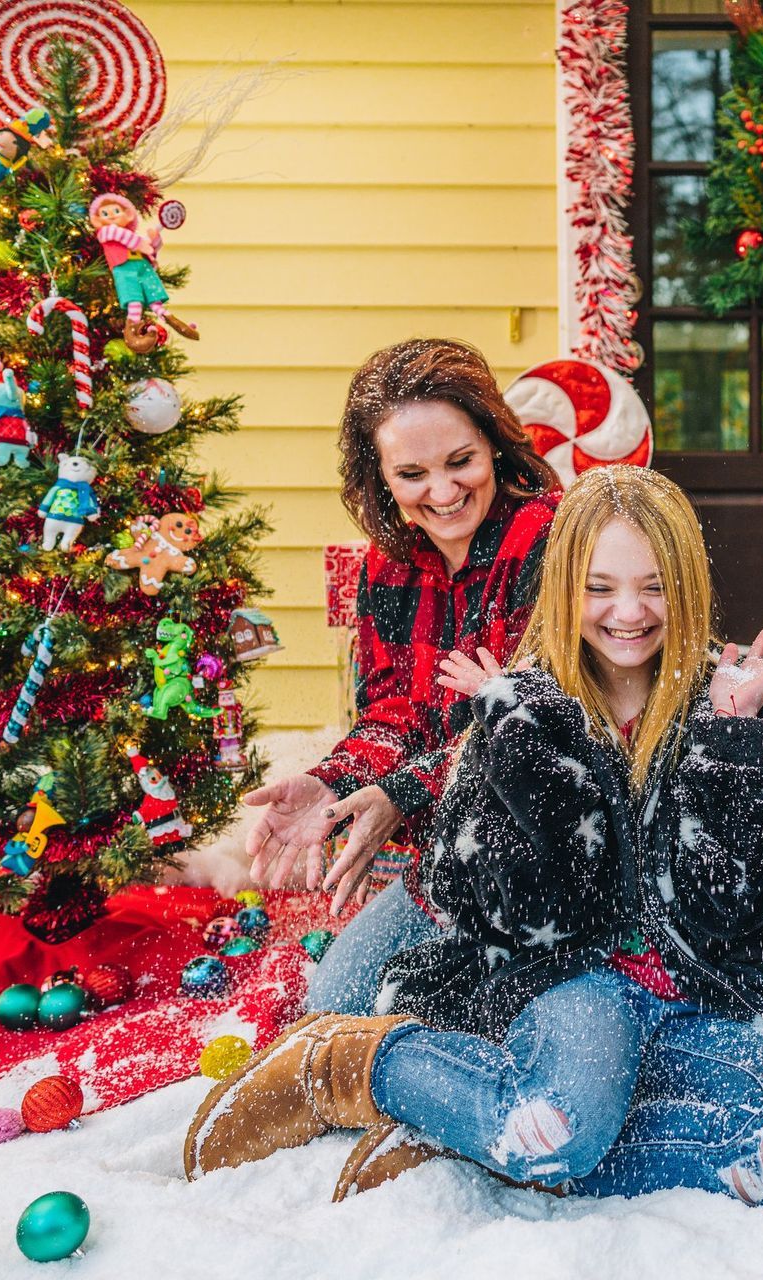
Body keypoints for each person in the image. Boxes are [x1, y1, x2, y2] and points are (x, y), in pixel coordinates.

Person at [185, 467, 763, 1205]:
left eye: (654, 585)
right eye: (599, 587)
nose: (628, 612)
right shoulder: (521, 712)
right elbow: (517, 915)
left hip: (695, 995)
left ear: (687, 586)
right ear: (564, 589)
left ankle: (473, 1137)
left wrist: (734, 742)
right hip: (571, 986)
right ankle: (349, 1066)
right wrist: (527, 747)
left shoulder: (728, 708)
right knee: (562, 1126)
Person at [242, 338, 560, 1013]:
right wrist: (334, 781)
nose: (443, 492)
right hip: (449, 863)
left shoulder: (546, 538)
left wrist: (402, 793)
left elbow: (541, 724)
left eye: (461, 462)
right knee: (339, 1003)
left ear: (494, 444)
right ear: (379, 477)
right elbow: (393, 715)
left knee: (488, 1015)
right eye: (412, 474)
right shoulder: (386, 566)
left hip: (548, 851)